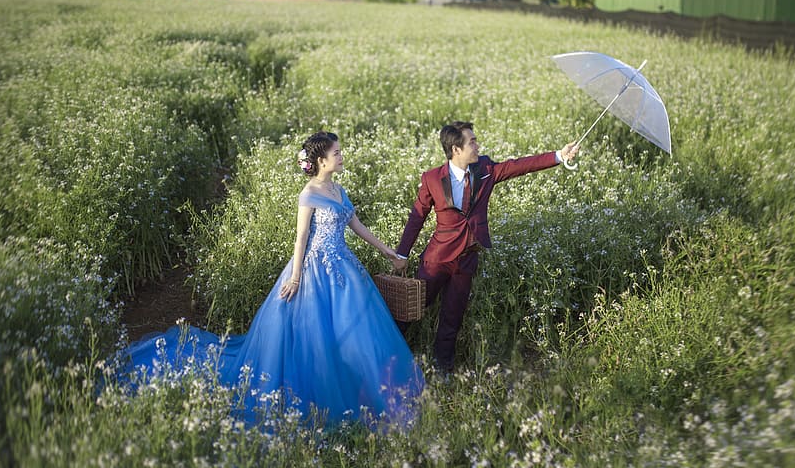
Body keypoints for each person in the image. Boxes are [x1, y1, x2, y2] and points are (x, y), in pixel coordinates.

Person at [120, 131, 424, 428]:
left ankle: (370, 387)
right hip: (314, 270)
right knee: (318, 334)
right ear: (320, 161)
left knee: (357, 329)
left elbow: (358, 227)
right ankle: (329, 395)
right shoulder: (309, 194)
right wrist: (294, 278)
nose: (341, 156)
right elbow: (300, 239)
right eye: (336, 153)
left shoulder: (339, 191)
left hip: (344, 267)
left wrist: (389, 253)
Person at [391, 121, 579, 372]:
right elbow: (417, 218)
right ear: (456, 149)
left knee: (452, 317)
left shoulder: (485, 169)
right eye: (472, 141)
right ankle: (388, 355)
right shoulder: (432, 178)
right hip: (436, 260)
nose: (477, 145)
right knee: (411, 309)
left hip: (467, 259)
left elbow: (517, 166)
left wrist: (558, 156)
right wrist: (402, 253)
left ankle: (442, 368)